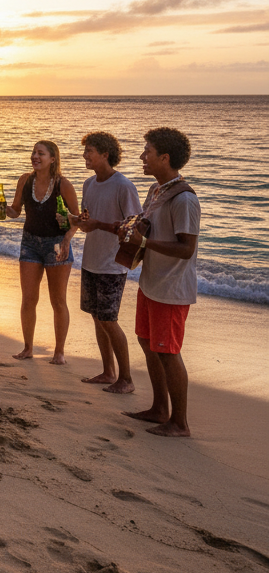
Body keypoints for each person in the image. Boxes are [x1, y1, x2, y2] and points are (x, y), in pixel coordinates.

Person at [121, 128, 200, 437]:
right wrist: (128, 231)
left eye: (148, 151)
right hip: (151, 281)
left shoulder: (184, 199)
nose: (142, 156)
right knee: (147, 341)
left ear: (165, 158)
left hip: (171, 288)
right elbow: (148, 229)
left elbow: (186, 248)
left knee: (168, 351)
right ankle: (159, 409)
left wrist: (145, 241)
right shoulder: (157, 191)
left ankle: (179, 423)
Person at [73, 132, 141, 393]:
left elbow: (133, 229)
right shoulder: (89, 184)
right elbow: (88, 224)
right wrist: (75, 222)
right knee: (97, 318)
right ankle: (107, 371)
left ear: (105, 154)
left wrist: (98, 224)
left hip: (113, 265)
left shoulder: (123, 186)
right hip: (91, 260)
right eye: (85, 151)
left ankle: (126, 379)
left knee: (109, 320)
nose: (85, 155)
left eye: (89, 151)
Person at [4, 141, 79, 364]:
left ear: (53, 159)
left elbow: (76, 219)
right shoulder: (25, 180)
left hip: (57, 244)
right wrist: (6, 210)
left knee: (58, 301)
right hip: (29, 243)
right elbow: (16, 211)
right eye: (34, 152)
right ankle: (28, 348)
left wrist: (67, 239)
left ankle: (59, 352)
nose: (35, 156)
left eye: (40, 153)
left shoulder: (63, 185)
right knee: (28, 298)